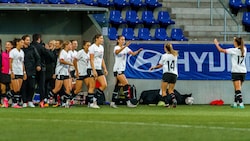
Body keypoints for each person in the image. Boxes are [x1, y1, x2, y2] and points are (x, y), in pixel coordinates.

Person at [110, 35, 143, 108]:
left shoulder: (126, 48)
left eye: (124, 39)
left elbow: (133, 54)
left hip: (122, 69)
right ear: (118, 40)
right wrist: (125, 47)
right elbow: (117, 52)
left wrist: (138, 51)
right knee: (126, 84)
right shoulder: (117, 47)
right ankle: (128, 102)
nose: (123, 41)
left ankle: (112, 102)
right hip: (117, 69)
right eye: (121, 39)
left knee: (118, 86)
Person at [214, 37, 246, 109]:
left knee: (237, 89)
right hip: (243, 71)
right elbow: (242, 44)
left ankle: (241, 104)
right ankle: (235, 103)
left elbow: (221, 50)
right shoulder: (244, 49)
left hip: (236, 71)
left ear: (236, 43)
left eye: (234, 41)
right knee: (238, 88)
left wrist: (216, 44)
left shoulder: (234, 50)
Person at [149, 42, 178, 108]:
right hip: (174, 74)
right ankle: (173, 99)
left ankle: (167, 104)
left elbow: (160, 65)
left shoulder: (164, 56)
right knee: (171, 90)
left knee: (163, 91)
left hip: (167, 73)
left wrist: (154, 67)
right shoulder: (175, 55)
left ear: (165, 48)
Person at [49, 41, 73, 108]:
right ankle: (45, 100)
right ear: (66, 45)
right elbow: (61, 60)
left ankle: (65, 102)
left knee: (68, 88)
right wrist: (70, 63)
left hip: (65, 73)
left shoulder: (68, 53)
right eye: (70, 44)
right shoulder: (62, 52)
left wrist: (69, 73)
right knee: (57, 89)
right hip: (60, 72)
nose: (71, 46)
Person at [87, 34, 108, 108]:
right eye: (101, 38)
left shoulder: (101, 47)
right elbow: (91, 59)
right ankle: (91, 103)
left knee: (104, 84)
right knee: (92, 86)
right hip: (92, 68)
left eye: (102, 38)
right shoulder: (92, 47)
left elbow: (101, 59)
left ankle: (94, 99)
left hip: (99, 68)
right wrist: (94, 70)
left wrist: (104, 68)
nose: (102, 40)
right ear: (96, 39)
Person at [21, 35, 41, 108]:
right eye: (27, 40)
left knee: (32, 86)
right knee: (24, 86)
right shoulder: (21, 49)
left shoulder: (32, 48)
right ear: (23, 41)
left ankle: (30, 100)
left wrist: (38, 65)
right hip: (23, 70)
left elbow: (38, 57)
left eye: (29, 40)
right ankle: (24, 101)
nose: (28, 41)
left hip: (32, 70)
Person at [9, 38, 27, 108]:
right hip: (15, 71)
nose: (23, 44)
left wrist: (24, 72)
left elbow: (22, 63)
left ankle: (9, 99)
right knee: (16, 89)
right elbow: (10, 62)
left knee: (18, 89)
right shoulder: (13, 51)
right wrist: (12, 71)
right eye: (22, 42)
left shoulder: (22, 52)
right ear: (17, 43)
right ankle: (14, 102)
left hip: (20, 72)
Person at [0, 41, 13, 108]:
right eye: (6, 45)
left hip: (11, 73)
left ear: (12, 46)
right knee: (3, 88)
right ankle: (4, 102)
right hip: (3, 73)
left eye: (8, 45)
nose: (7, 46)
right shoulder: (2, 54)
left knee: (12, 88)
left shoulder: (13, 54)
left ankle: (8, 100)